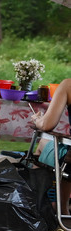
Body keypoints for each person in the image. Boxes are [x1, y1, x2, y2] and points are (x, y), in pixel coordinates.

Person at [32, 79, 71, 215]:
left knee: (42, 144)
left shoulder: (67, 85)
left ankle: (44, 204)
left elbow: (47, 125)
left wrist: (37, 120)